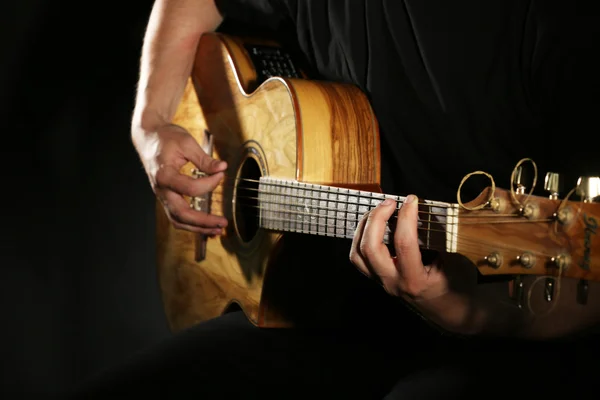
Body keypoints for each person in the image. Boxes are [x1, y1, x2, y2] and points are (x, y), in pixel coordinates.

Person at [71, 0, 599, 398]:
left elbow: (592, 261)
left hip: (513, 333)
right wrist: (150, 124)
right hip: (320, 307)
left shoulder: (551, 21)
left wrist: (465, 312)